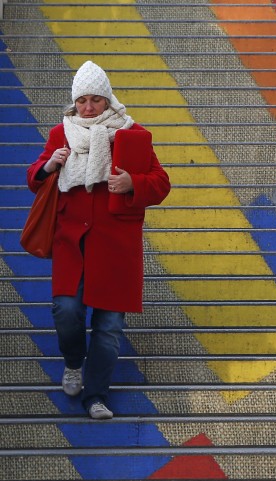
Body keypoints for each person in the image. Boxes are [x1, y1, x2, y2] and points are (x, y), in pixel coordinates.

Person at [26, 61, 171, 420]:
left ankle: (96, 397)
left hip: (115, 247)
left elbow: (161, 182)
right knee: (67, 311)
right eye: (82, 101)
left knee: (108, 329)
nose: (88, 108)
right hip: (71, 241)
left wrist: (133, 183)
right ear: (74, 103)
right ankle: (74, 362)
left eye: (96, 100)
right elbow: (34, 177)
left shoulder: (132, 133)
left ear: (108, 101)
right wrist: (49, 165)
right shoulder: (61, 133)